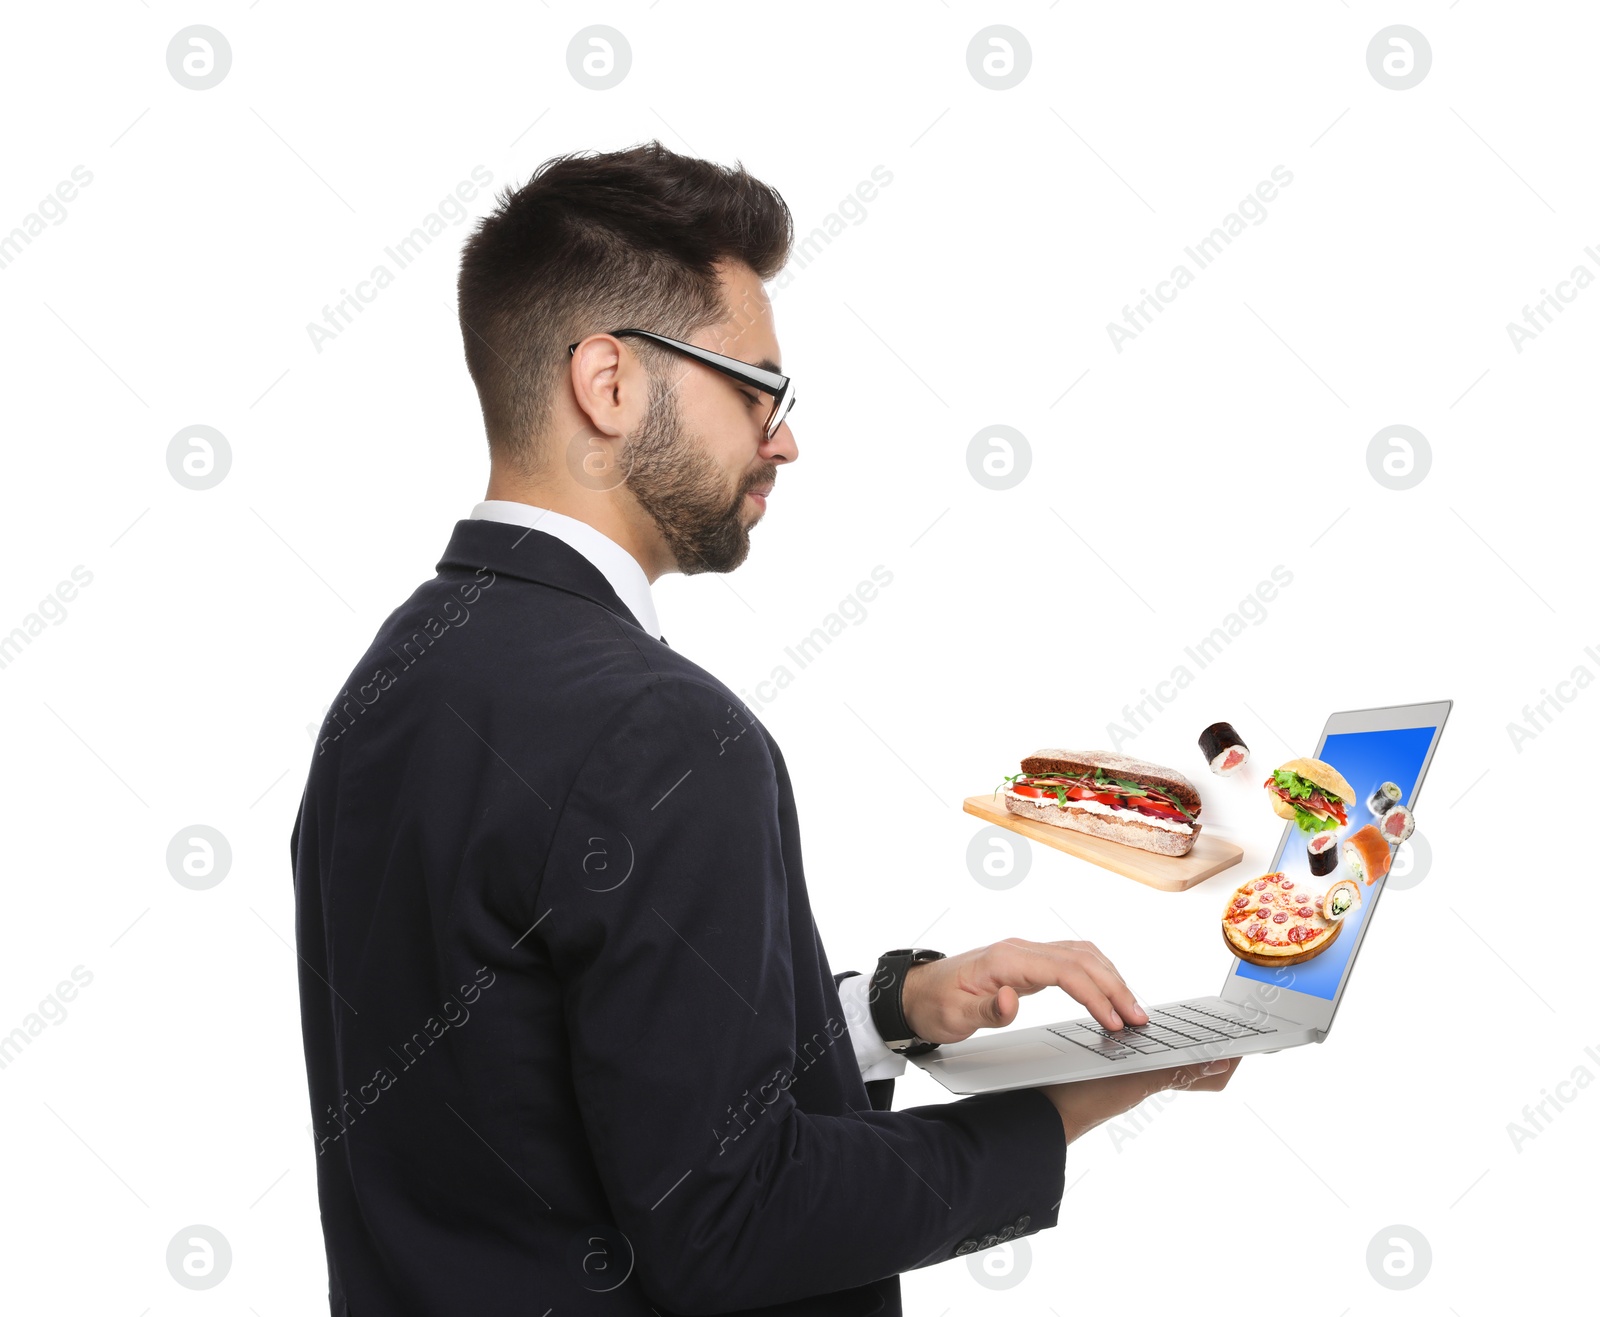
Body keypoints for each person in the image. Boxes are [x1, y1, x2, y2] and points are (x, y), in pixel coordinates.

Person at [290, 140, 1237, 1317]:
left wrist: (891, 1010)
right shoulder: (663, 730)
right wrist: (1064, 1107)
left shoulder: (385, 685)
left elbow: (540, 1073)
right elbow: (734, 1222)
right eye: (756, 388)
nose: (782, 438)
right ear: (610, 383)